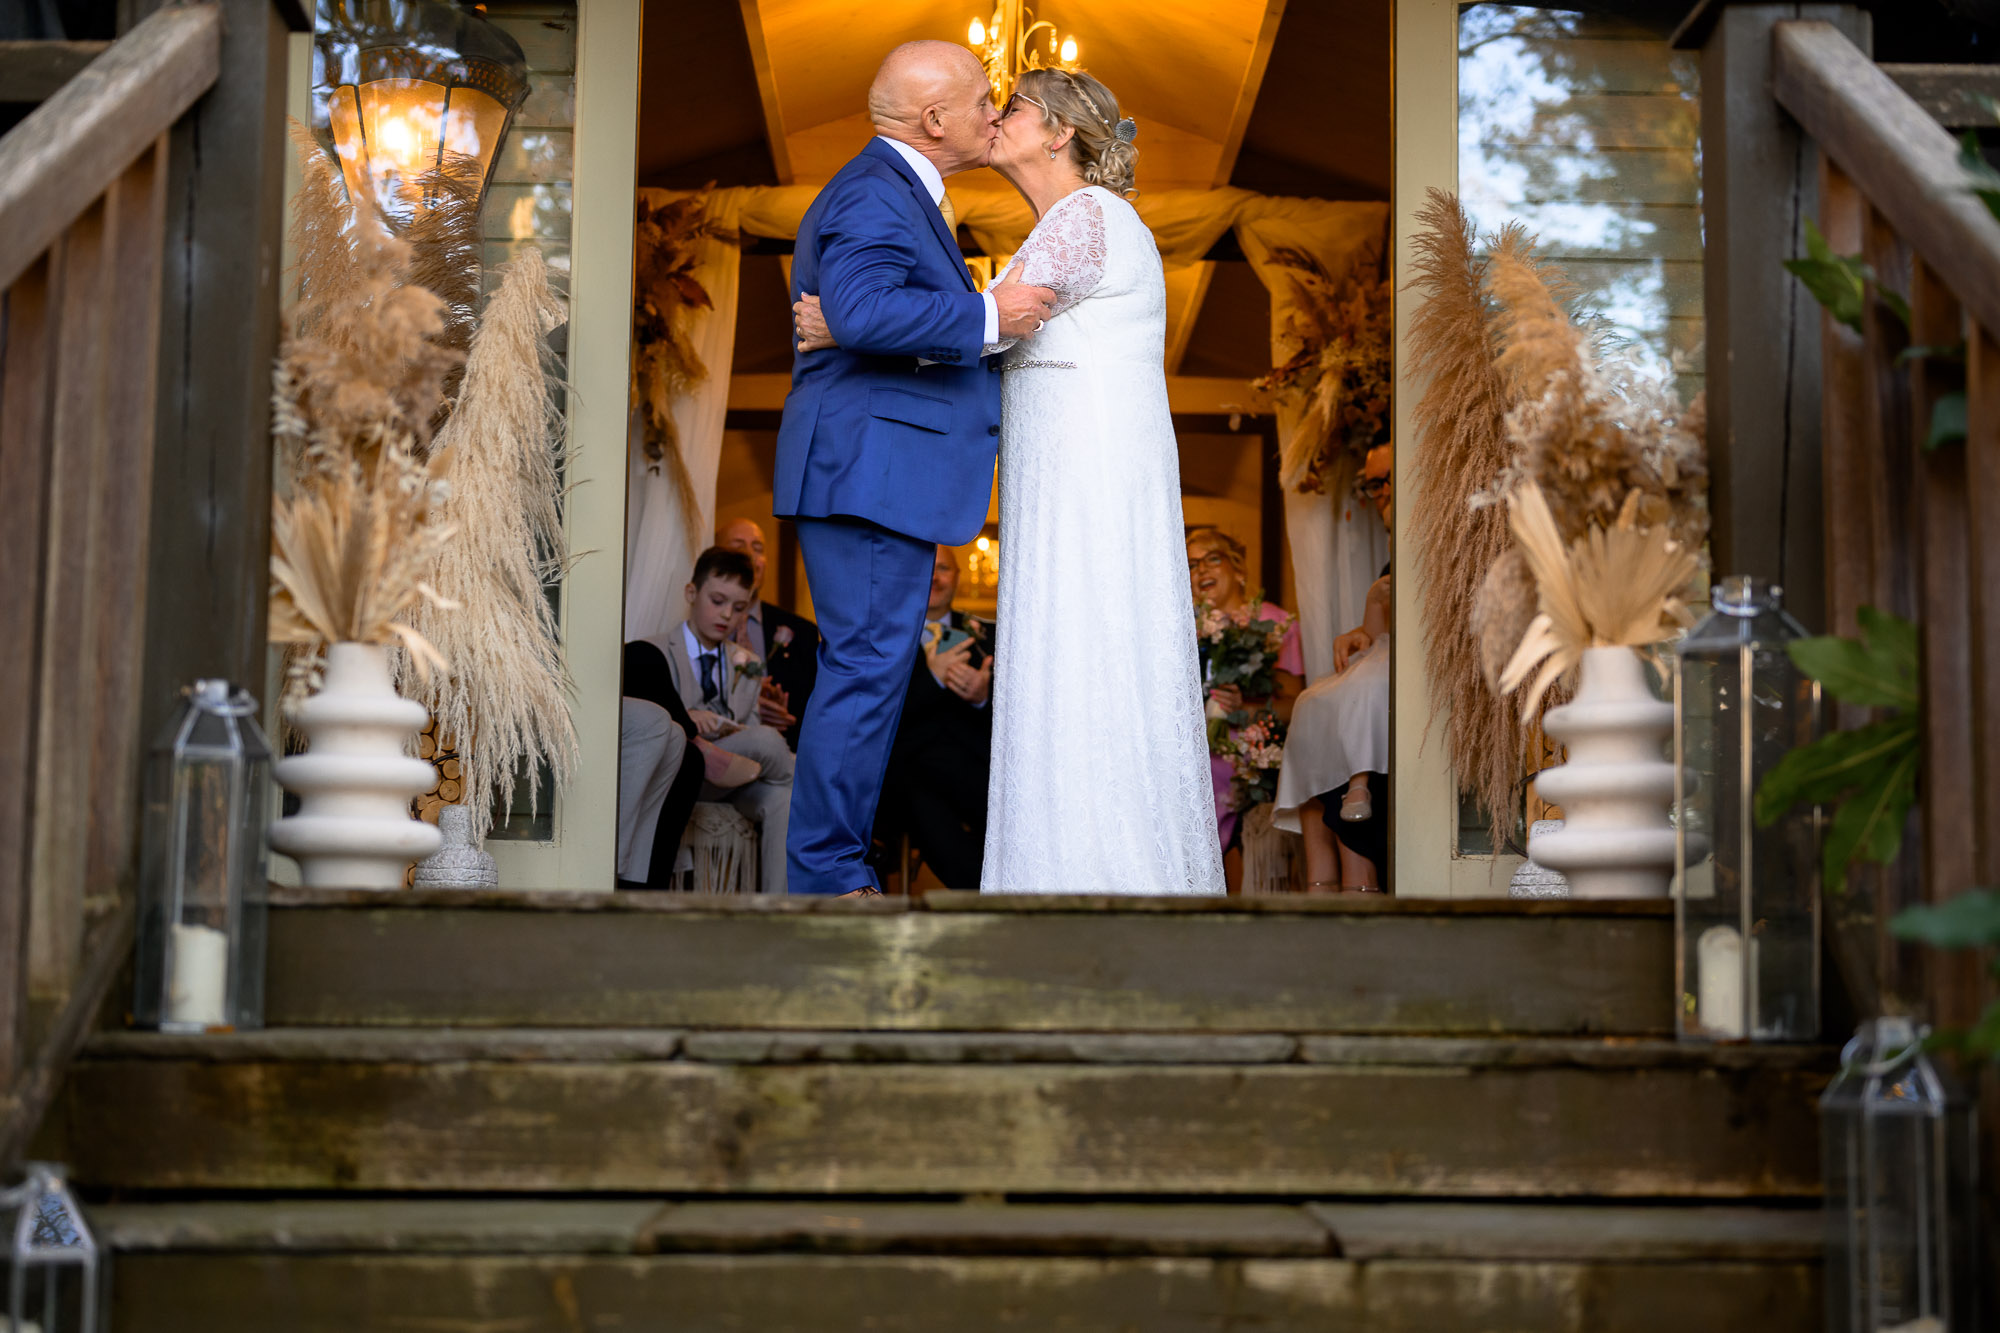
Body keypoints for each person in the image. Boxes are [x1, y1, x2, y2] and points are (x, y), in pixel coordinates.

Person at [799, 66, 1223, 895]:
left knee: (1083, 648)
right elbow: (987, 327)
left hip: (1085, 482)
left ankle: (1098, 874)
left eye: (1014, 107)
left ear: (1060, 133)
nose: (994, 116)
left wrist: (845, 326)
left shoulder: (1086, 216)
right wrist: (867, 325)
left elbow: (992, 328)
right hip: (1063, 477)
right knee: (1066, 653)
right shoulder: (1069, 222)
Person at [772, 40, 1057, 898]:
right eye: (983, 102)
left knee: (871, 669)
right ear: (935, 120)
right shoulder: (875, 191)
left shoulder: (897, 191)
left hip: (878, 469)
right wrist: (988, 312)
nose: (995, 116)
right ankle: (828, 877)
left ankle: (834, 869)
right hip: (869, 469)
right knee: (865, 669)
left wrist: (861, 325)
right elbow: (863, 308)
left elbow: (857, 317)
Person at [625, 547, 794, 895]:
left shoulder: (748, 661)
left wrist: (732, 728)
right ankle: (815, 784)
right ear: (692, 593)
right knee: (767, 741)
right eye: (717, 601)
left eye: (739, 607)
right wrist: (690, 717)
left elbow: (750, 726)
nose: (727, 615)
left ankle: (779, 909)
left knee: (784, 797)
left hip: (737, 774)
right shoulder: (653, 651)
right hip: (686, 772)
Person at [1276, 443, 1395, 892]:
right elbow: (1376, 631)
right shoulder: (1392, 554)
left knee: (1367, 686)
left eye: (1387, 480)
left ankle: (1359, 783)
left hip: (1410, 671)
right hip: (1386, 655)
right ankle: (1320, 878)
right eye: (1373, 485)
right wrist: (1358, 633)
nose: (1381, 493)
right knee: (1311, 701)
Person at [1186, 526, 1303, 890]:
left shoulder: (1274, 623)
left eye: (1212, 559)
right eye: (1192, 565)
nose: (1201, 570)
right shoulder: (1183, 629)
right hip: (1197, 748)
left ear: (1237, 568)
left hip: (1251, 752)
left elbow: (1294, 705)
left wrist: (1244, 708)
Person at [877, 545, 994, 889]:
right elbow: (879, 714)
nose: (934, 577)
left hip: (973, 769)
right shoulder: (884, 636)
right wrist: (931, 679)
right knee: (921, 800)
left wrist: (982, 697)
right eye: (927, 567)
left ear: (957, 577)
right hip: (908, 770)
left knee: (1005, 804)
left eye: (943, 568)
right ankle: (982, 895)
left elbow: (1015, 716)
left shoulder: (987, 635)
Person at [715, 517, 820, 749]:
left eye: (758, 548)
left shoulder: (803, 633)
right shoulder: (703, 626)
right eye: (738, 546)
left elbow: (814, 712)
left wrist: (783, 712)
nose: (750, 556)